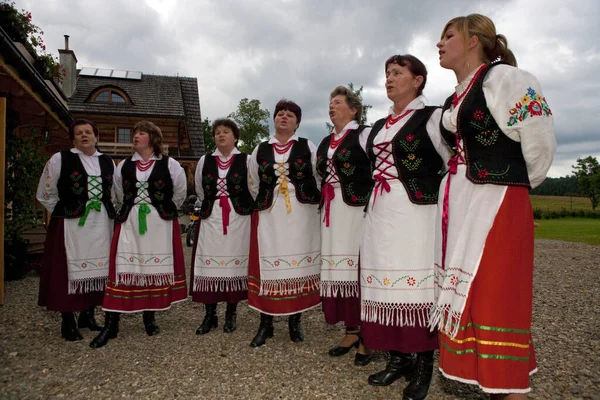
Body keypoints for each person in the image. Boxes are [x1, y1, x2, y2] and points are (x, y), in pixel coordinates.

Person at [431, 14, 556, 398]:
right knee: (468, 296)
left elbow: (539, 144)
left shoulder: (507, 79)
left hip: (497, 199)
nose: (440, 43)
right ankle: (483, 380)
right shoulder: (454, 98)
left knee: (495, 298)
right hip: (463, 200)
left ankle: (510, 388)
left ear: (473, 41)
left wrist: (510, 184)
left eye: (448, 35)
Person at [360, 55, 451, 400]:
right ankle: (399, 359)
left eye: (398, 73)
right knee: (385, 283)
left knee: (417, 288)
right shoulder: (380, 125)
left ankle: (424, 363)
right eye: (387, 73)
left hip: (416, 214)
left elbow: (453, 160)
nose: (389, 78)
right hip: (381, 212)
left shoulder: (433, 118)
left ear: (418, 80)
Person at [90, 120, 188, 348]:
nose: (135, 136)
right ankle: (111, 324)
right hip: (130, 222)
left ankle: (149, 317)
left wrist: (161, 208)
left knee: (152, 270)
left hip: (158, 223)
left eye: (141, 133)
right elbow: (118, 192)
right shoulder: (123, 165)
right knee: (123, 269)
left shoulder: (170, 164)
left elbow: (180, 192)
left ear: (153, 138)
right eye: (134, 133)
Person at [247, 99, 321, 347]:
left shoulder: (307, 145)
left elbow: (318, 175)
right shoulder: (260, 149)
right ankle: (265, 323)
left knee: (297, 266)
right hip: (271, 213)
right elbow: (253, 182)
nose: (284, 117)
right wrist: (271, 197)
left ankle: (294, 321)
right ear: (274, 119)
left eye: (290, 115)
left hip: (301, 213)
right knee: (270, 266)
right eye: (280, 113)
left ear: (297, 122)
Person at [36, 118, 115, 341]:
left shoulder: (108, 161)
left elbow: (115, 193)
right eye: (78, 133)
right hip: (70, 225)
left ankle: (87, 316)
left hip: (101, 223)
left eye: (88, 132)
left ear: (96, 136)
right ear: (72, 138)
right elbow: (45, 193)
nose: (84, 136)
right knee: (67, 272)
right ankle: (67, 322)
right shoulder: (60, 159)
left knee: (98, 271)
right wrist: (65, 211)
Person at [317, 86, 374, 365]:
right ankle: (351, 330)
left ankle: (367, 335)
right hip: (332, 211)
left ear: (353, 109)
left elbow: (379, 167)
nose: (331, 106)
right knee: (339, 270)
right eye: (330, 102)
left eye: (337, 102)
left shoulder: (363, 135)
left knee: (358, 268)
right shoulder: (326, 141)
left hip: (356, 211)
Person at [190, 119, 253, 334]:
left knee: (234, 264)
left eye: (226, 131)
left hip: (238, 219)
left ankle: (230, 313)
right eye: (217, 132)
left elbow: (253, 187)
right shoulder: (204, 160)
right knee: (210, 264)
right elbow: (200, 189)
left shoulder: (247, 160)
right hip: (212, 218)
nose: (221, 135)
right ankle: (210, 315)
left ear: (235, 136)